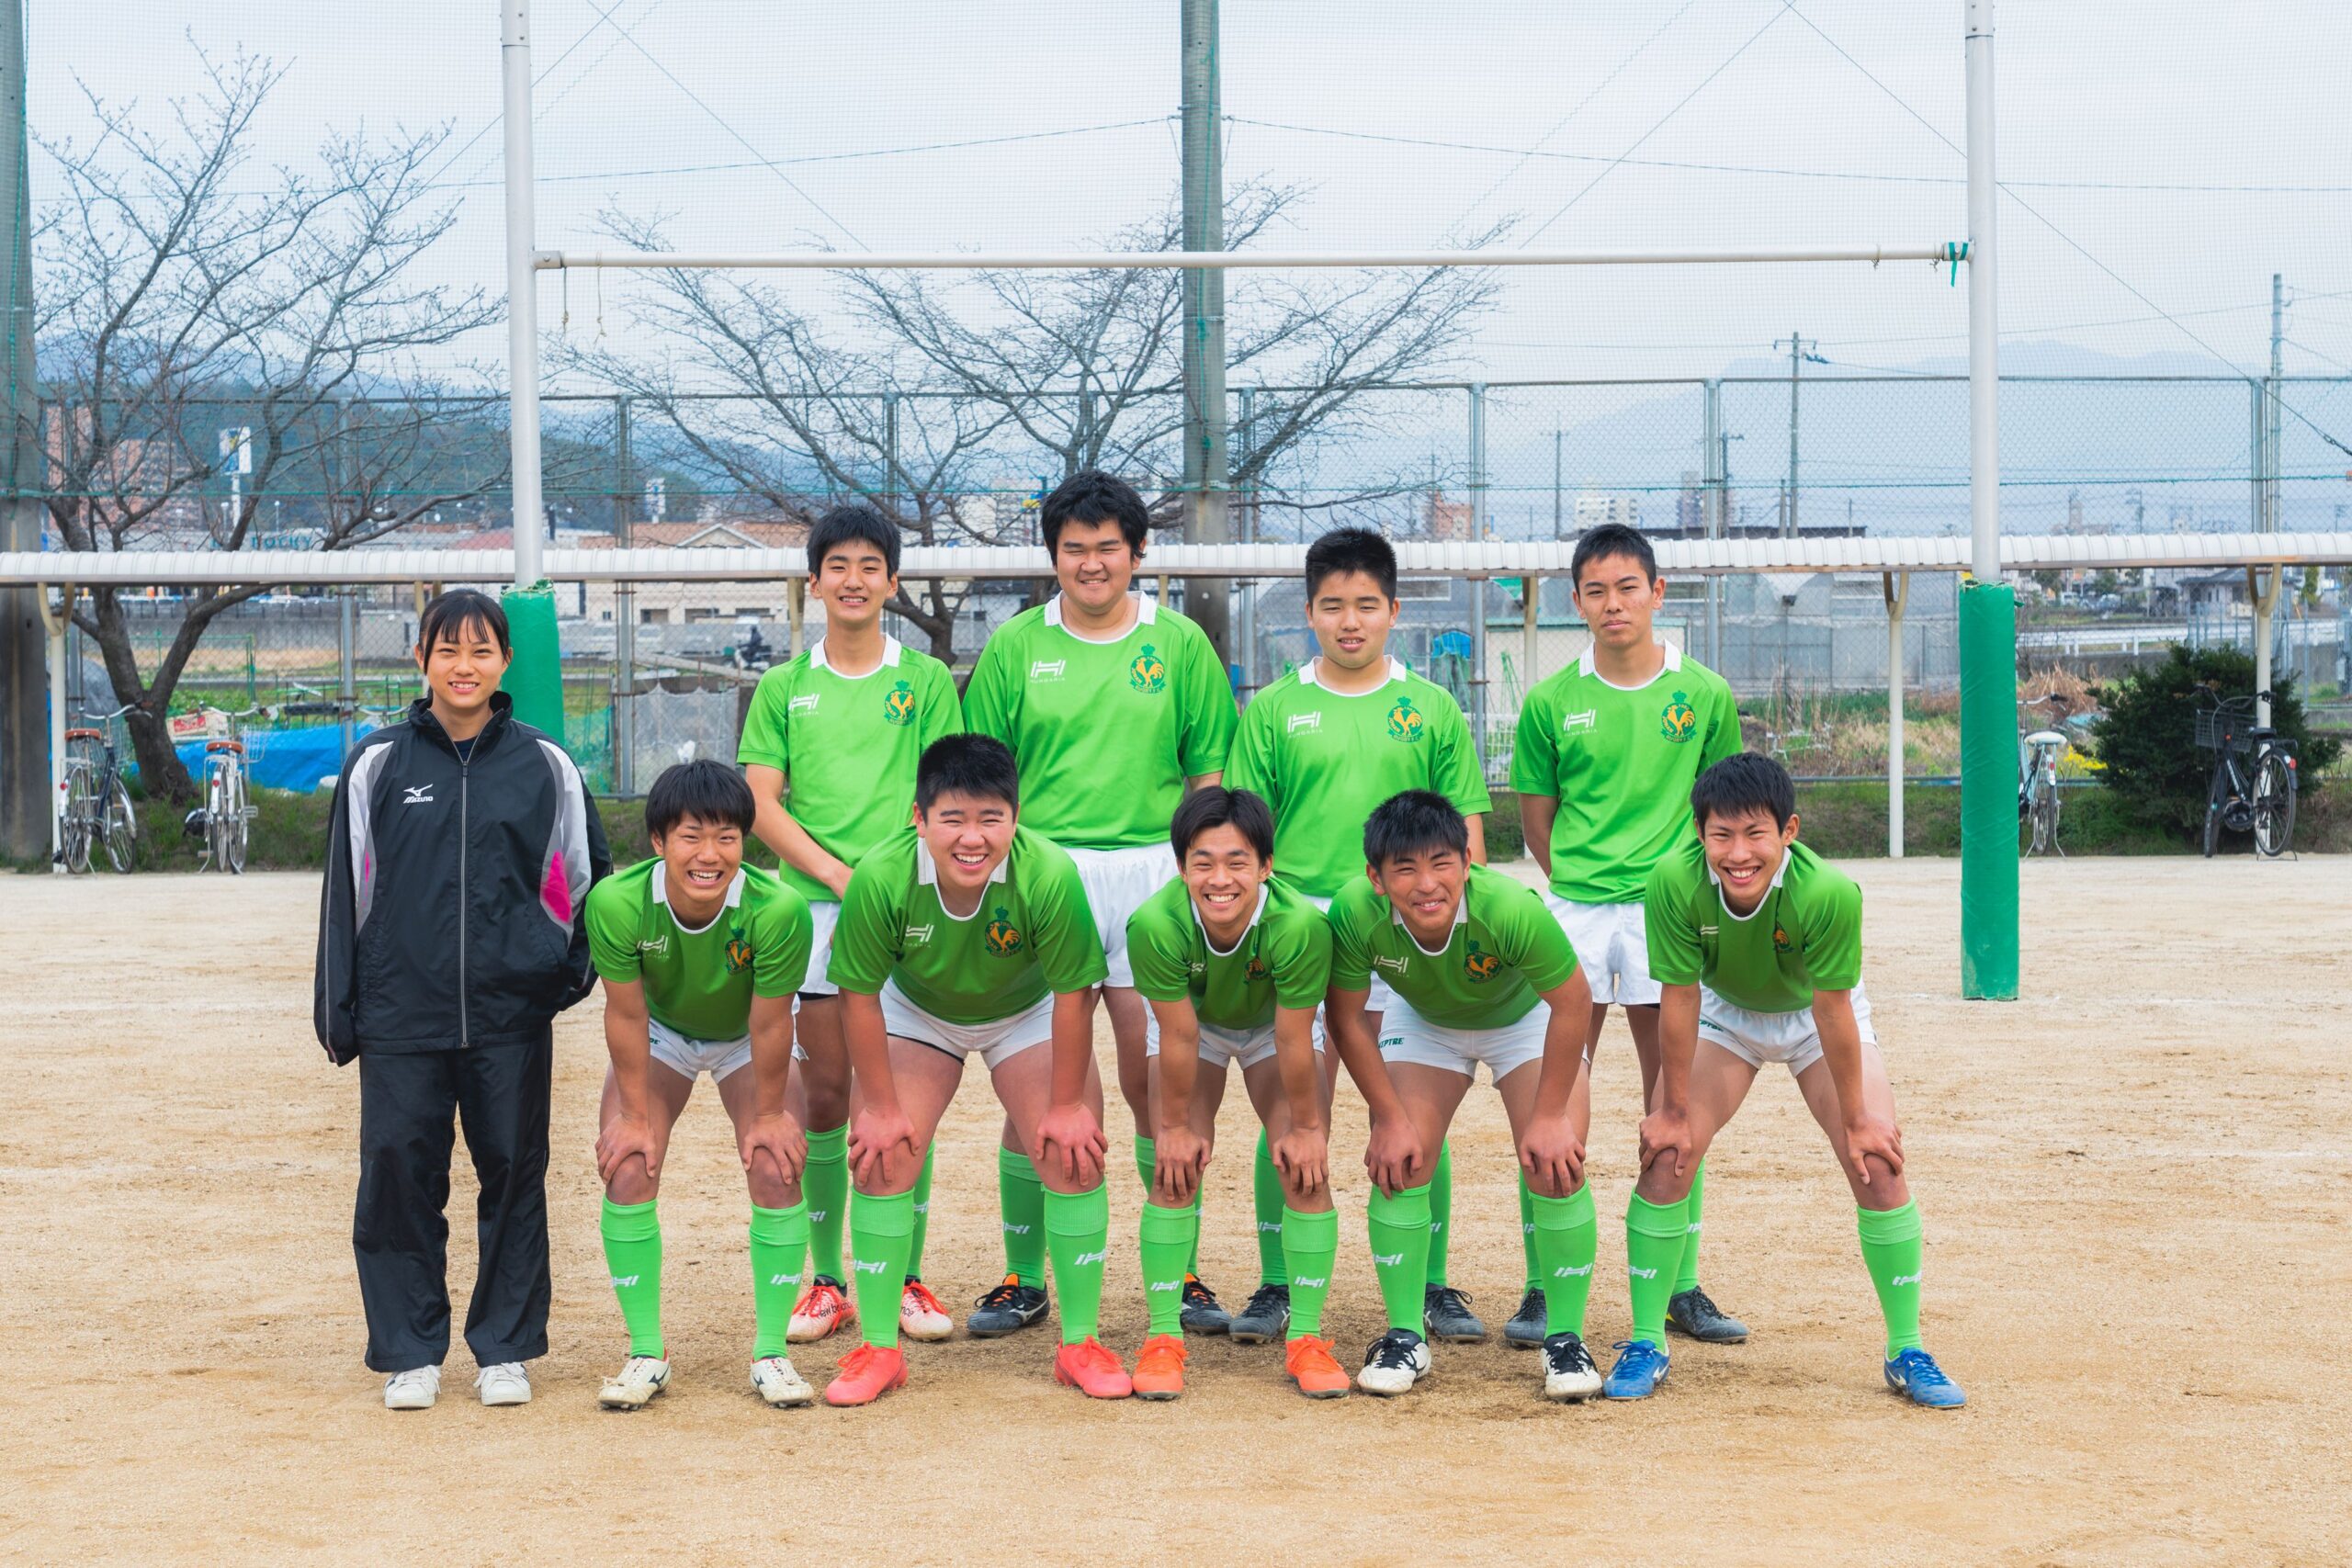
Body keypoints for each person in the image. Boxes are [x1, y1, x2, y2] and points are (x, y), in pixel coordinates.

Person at [315, 588, 610, 1411]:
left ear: (506, 661)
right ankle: (410, 1349)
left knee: (514, 1173)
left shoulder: (545, 764)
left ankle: (505, 1347)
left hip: (510, 1014)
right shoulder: (378, 764)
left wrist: (557, 977)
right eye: (448, 650)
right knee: (399, 1172)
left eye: (482, 650)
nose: (464, 666)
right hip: (401, 1013)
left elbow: (587, 882)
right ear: (420, 659)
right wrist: (341, 1008)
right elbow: (349, 894)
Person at [962, 469, 1238, 1335]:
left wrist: (1199, 871)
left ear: (1138, 552)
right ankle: (1023, 1272)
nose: (1090, 563)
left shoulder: (1181, 643)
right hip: (1044, 875)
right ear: (1053, 556)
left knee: (1158, 1079)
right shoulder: (1015, 647)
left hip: (1154, 875)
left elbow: (1210, 773)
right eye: (1073, 549)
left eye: (1106, 548)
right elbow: (985, 774)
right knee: (1047, 1086)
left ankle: (1180, 1268)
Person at [1611, 754, 1964, 1407]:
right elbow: (1681, 996)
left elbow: (1832, 1009)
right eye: (1722, 834)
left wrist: (1859, 1120)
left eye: (1755, 834)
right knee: (1667, 1154)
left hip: (1812, 1017)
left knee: (1878, 1163)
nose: (1738, 853)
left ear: (1789, 831)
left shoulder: (1827, 893)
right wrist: (1674, 1110)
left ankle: (1907, 1346)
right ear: (1699, 833)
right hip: (1725, 1015)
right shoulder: (1671, 882)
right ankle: (1643, 1340)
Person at [1224, 525, 1492, 1348]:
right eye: (1333, 605)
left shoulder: (1432, 706)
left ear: (1393, 611)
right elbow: (1247, 833)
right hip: (1307, 936)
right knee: (1294, 1107)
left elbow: (1467, 833)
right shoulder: (1273, 709)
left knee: (1412, 1109)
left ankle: (1433, 1282)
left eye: (1366, 605)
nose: (1350, 621)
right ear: (1308, 612)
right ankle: (1277, 1281)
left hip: (1404, 937)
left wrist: (1447, 922)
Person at [821, 734, 1124, 1405]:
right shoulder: (880, 875)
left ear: (1016, 819)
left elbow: (1075, 993)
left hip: (1027, 1008)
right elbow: (859, 994)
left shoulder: (1047, 873)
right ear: (919, 818)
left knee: (1074, 1151)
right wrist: (877, 1104)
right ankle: (879, 1348)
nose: (972, 836)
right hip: (917, 1009)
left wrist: (1069, 1103)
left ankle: (1079, 1342)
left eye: (991, 818)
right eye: (953, 818)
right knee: (882, 1152)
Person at [1509, 522, 1747, 1352]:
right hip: (1573, 911)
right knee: (1552, 1096)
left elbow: (1725, 810)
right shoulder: (1548, 702)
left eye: (1629, 587)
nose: (1614, 604)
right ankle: (1545, 1284)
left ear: (1658, 592)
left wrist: (1672, 889)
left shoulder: (1705, 693)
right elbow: (1537, 822)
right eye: (1597, 590)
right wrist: (1581, 878)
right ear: (1576, 600)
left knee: (1673, 1094)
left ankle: (1680, 1283)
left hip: (1670, 912)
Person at [740, 502, 963, 1350]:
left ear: (892, 583)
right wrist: (837, 873)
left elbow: (944, 801)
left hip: (905, 902)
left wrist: (891, 874)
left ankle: (899, 1267)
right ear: (815, 581)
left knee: (897, 1097)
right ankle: (828, 1277)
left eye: (872, 565)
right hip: (817, 908)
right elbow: (761, 802)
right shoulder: (785, 687)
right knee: (828, 1096)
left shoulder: (927, 681)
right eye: (839, 565)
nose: (855, 579)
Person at [1324, 791, 1601, 1402]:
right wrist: (1388, 1117)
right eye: (1404, 868)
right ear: (1376, 876)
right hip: (1426, 1020)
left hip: (1524, 1018)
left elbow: (1573, 1000)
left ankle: (1566, 1338)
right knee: (1402, 1158)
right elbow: (1344, 1019)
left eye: (1441, 862)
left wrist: (1551, 1114)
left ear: (1468, 858)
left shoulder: (1509, 906)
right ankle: (1403, 1334)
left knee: (1558, 1163)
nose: (1427, 883)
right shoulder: (1353, 911)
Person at [583, 761, 818, 1410]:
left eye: (727, 836)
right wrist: (633, 1115)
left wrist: (769, 1114)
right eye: (691, 836)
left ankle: (771, 1351)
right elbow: (627, 1014)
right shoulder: (616, 902)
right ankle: (646, 1352)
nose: (709, 854)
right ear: (658, 840)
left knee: (776, 1162)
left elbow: (772, 1021)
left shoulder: (779, 910)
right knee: (628, 1161)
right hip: (662, 1032)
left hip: (747, 1035)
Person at [1124, 787, 1348, 1401]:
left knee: (1306, 1166)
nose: (1220, 878)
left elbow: (1295, 1033)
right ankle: (1163, 1337)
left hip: (1275, 1026)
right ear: (1180, 865)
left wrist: (1305, 1127)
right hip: (1192, 1025)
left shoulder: (1300, 924)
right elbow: (1178, 1030)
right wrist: (1172, 1125)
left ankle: (1306, 1336)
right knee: (1174, 1167)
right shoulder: (1153, 923)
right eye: (1203, 861)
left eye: (1237, 861)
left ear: (1267, 865)